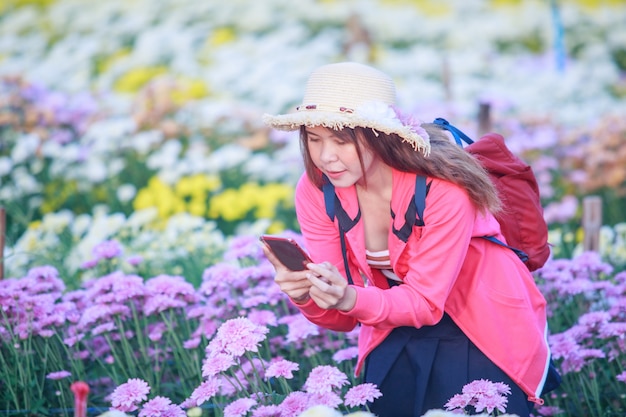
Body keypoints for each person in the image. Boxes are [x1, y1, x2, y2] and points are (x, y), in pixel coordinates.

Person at [261, 62, 553, 417]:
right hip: (395, 316)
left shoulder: (444, 192)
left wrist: (349, 296)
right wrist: (308, 294)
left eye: (341, 140)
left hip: (482, 320)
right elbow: (344, 318)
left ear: (379, 136)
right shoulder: (317, 190)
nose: (326, 157)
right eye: (314, 139)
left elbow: (425, 304)